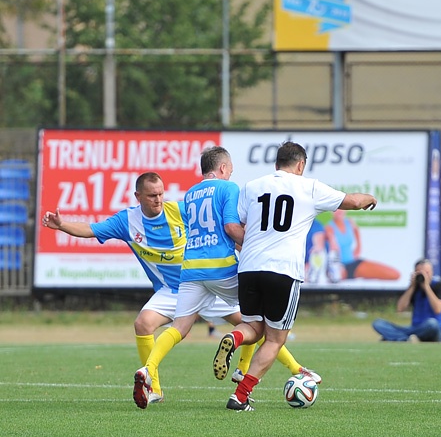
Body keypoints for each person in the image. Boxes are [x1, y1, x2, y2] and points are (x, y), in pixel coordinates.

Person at [133, 146, 317, 409]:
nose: (232, 173)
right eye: (230, 169)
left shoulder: (191, 192)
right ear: (222, 169)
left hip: (192, 269)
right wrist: (256, 245)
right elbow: (231, 227)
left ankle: (148, 370)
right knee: (257, 320)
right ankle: (243, 370)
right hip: (221, 267)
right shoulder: (229, 189)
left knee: (178, 328)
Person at [40, 172, 239, 405]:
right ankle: (153, 388)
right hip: (170, 290)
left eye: (161, 194)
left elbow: (214, 229)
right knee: (143, 323)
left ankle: (282, 370)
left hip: (200, 283)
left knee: (251, 323)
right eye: (152, 195)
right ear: (138, 196)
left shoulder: (180, 210)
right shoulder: (127, 221)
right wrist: (62, 225)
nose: (158, 199)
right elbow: (91, 229)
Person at [213, 141, 378, 411]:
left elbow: (236, 226)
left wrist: (256, 244)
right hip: (283, 271)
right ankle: (239, 396)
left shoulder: (253, 186)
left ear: (276, 163)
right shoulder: (309, 187)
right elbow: (353, 201)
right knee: (276, 339)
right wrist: (370, 199)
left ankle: (234, 337)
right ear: (300, 164)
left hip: (250, 268)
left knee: (253, 328)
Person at [371, 258, 441, 342]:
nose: (423, 276)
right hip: (416, 329)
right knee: (378, 323)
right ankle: (406, 339)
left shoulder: (439, 286)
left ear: (432, 272)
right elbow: (400, 308)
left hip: (436, 329)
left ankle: (396, 338)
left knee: (432, 323)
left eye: (426, 273)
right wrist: (412, 286)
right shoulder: (414, 288)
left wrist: (427, 287)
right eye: (420, 273)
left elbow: (438, 309)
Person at [325, 208, 400, 281]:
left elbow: (356, 231)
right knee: (337, 275)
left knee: (395, 274)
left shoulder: (349, 222)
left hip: (353, 263)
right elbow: (332, 248)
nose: (339, 211)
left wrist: (358, 247)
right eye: (336, 208)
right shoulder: (329, 228)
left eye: (342, 208)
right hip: (340, 267)